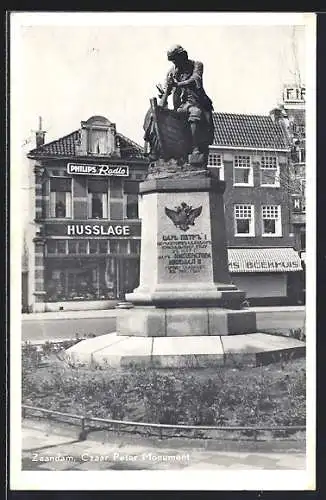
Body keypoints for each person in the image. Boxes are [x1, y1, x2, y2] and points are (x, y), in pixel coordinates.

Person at [160, 44, 214, 156]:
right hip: (180, 105)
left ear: (183, 56)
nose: (175, 64)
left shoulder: (197, 65)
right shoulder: (172, 71)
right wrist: (164, 91)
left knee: (195, 113)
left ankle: (195, 148)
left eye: (176, 60)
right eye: (173, 61)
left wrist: (178, 84)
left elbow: (195, 80)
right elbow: (167, 88)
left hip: (197, 102)